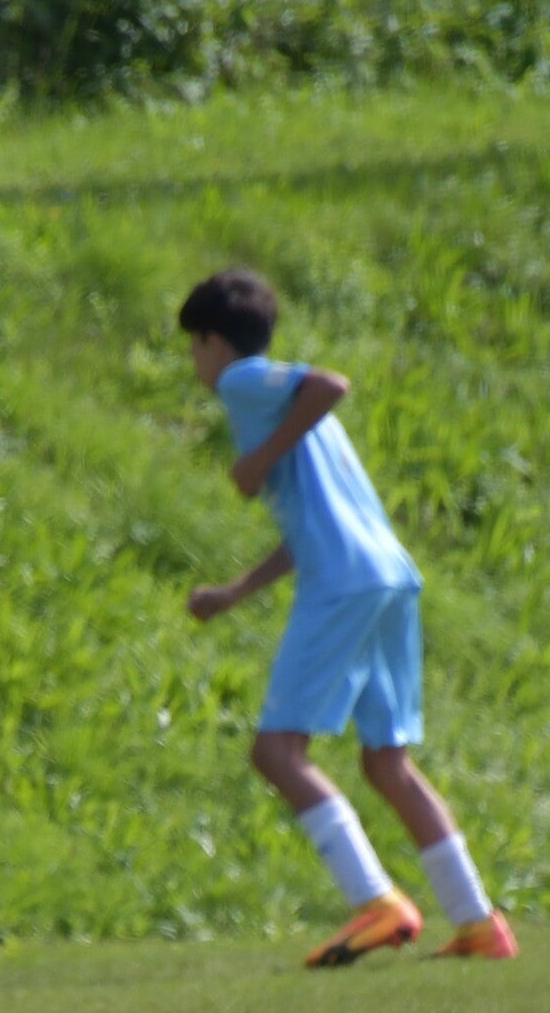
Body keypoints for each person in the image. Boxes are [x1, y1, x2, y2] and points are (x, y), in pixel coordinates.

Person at [180, 269, 516, 967]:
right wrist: (236, 592)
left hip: (342, 582)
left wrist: (256, 461)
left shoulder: (245, 381)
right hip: (388, 575)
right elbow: (313, 527)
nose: (196, 364)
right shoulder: (300, 421)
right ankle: (479, 924)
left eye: (194, 347)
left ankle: (377, 902)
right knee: (387, 762)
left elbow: (331, 384)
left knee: (277, 753)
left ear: (215, 342)